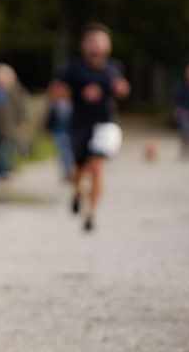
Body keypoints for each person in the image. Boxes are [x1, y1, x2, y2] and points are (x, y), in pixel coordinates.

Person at [50, 24, 130, 233]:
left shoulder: (114, 68)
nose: (96, 45)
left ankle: (91, 213)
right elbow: (55, 92)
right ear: (84, 45)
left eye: (100, 41)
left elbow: (122, 90)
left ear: (108, 46)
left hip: (105, 124)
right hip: (79, 125)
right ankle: (77, 192)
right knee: (79, 170)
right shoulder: (72, 68)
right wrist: (68, 93)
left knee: (97, 167)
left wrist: (120, 89)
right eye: (92, 41)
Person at [45, 82, 75, 180]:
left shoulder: (71, 103)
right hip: (58, 132)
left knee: (69, 153)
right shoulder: (54, 104)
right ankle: (67, 172)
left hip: (70, 132)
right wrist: (48, 130)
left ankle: (71, 171)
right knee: (63, 153)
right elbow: (49, 119)